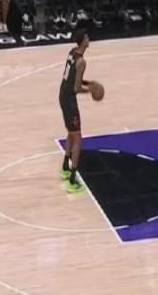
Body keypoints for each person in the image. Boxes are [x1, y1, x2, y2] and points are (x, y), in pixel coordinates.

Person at [59, 29, 96, 193]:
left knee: (71, 133)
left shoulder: (72, 52)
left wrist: (88, 83)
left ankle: (65, 168)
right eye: (87, 37)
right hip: (69, 100)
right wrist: (90, 91)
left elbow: (74, 78)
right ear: (83, 41)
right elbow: (76, 87)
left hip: (62, 95)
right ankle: (72, 180)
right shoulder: (82, 62)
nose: (89, 39)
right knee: (78, 137)